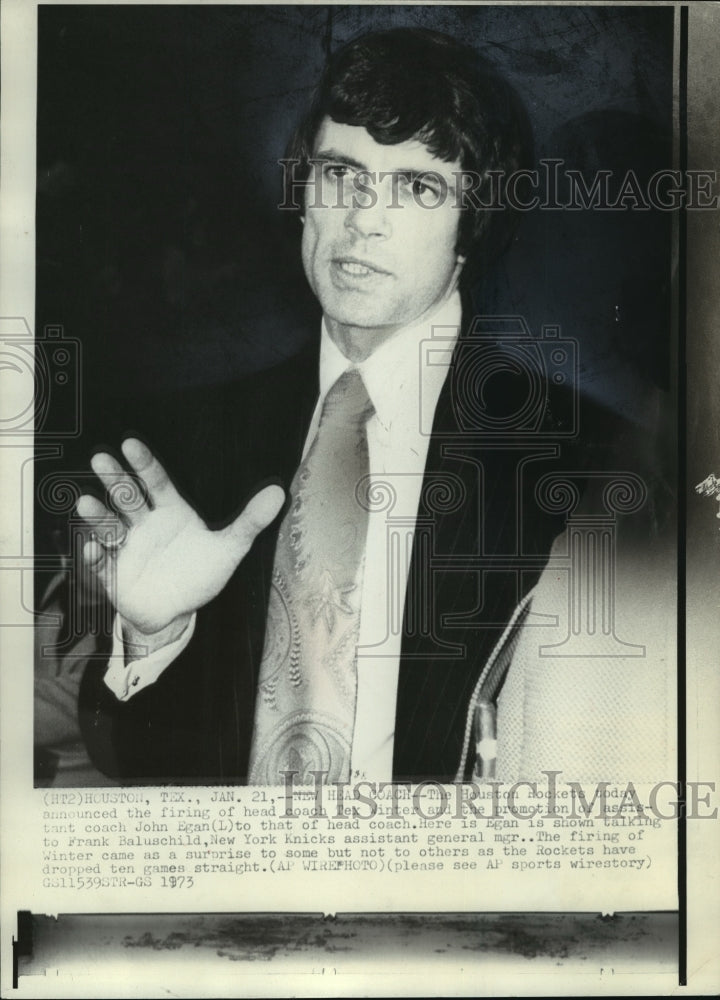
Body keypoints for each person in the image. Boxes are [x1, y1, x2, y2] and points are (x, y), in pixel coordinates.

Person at [37, 27, 674, 787]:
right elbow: (141, 766)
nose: (362, 218)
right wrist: (153, 636)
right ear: (303, 192)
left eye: (417, 186)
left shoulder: (591, 465)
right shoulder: (188, 446)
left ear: (473, 225)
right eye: (341, 173)